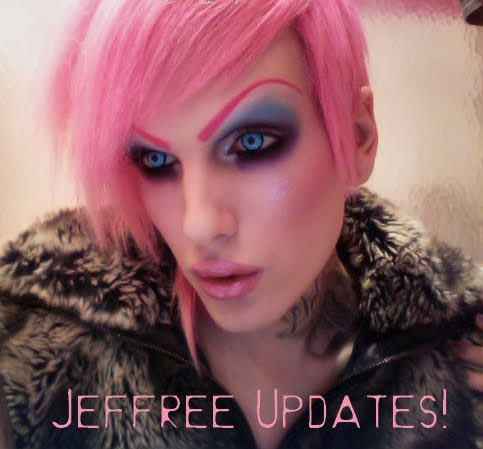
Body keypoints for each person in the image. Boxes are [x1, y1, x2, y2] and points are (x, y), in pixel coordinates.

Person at [0, 1, 482, 448]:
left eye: (251, 143)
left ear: (358, 137)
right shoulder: (38, 353)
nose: (199, 225)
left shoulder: (460, 353)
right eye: (155, 160)